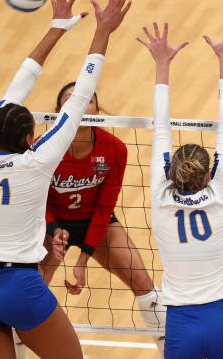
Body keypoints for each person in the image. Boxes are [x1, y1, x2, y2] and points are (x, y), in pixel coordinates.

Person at [0, 0, 131, 358]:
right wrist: (102, 31)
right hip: (18, 285)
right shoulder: (35, 162)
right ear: (26, 139)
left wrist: (57, 27)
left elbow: (18, 85)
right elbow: (81, 96)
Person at [138, 20, 223, 358]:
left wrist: (162, 66)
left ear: (170, 173)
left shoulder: (161, 198)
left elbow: (160, 129)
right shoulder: (221, 195)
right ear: (208, 176)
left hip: (180, 323)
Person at [40, 82, 166, 352]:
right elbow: (36, 199)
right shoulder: (43, 148)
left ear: (97, 108)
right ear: (59, 110)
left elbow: (105, 206)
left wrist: (84, 256)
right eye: (71, 100)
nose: (80, 105)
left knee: (142, 280)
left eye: (87, 100)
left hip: (95, 221)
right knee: (28, 290)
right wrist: (52, 231)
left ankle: (173, 351)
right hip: (50, 223)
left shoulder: (115, 149)